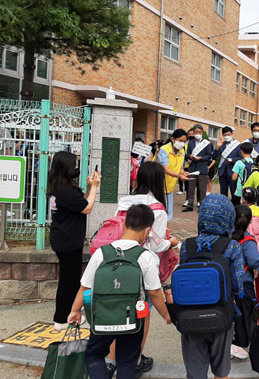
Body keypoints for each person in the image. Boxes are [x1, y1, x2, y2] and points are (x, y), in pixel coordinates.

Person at [67, 204, 172, 379]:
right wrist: (166, 315)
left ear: (124, 225)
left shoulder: (101, 253)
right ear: (147, 231)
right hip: (132, 321)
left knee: (94, 355)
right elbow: (154, 292)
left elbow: (85, 287)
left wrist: (75, 311)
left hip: (102, 318)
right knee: (128, 361)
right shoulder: (145, 256)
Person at [107, 161, 180, 376]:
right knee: (142, 312)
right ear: (158, 181)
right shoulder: (157, 208)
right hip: (141, 265)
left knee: (117, 311)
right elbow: (156, 245)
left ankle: (111, 360)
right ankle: (136, 359)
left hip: (117, 260)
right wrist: (171, 242)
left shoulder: (125, 201)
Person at [178, 194, 245, 379]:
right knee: (221, 372)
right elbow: (238, 286)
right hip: (221, 317)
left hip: (189, 317)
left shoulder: (187, 245)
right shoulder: (232, 246)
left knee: (195, 374)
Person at [48, 151, 101, 331]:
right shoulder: (64, 190)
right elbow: (87, 208)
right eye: (75, 164)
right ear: (66, 167)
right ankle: (62, 319)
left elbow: (80, 204)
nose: (77, 167)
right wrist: (95, 187)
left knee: (69, 280)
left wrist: (89, 187)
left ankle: (69, 314)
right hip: (67, 240)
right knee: (69, 282)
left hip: (65, 238)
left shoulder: (61, 187)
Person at [231, 204, 259, 359]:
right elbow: (254, 261)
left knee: (233, 313)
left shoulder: (226, 237)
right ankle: (245, 342)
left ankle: (233, 342)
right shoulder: (248, 240)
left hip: (227, 283)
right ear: (251, 221)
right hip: (244, 284)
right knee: (247, 314)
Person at [156, 129, 190, 220]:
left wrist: (184, 173)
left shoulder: (182, 151)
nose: (182, 143)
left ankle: (165, 225)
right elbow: (166, 170)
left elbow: (180, 168)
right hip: (158, 183)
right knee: (158, 209)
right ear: (173, 139)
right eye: (180, 140)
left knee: (168, 210)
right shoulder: (164, 150)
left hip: (170, 184)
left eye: (184, 141)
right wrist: (180, 176)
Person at [184, 124, 213, 212]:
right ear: (193, 133)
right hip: (192, 168)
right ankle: (190, 205)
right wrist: (190, 156)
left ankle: (201, 206)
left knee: (202, 189)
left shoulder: (207, 143)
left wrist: (201, 158)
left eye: (199, 132)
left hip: (202, 168)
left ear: (202, 132)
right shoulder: (190, 143)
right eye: (196, 132)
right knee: (191, 188)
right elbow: (186, 155)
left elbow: (209, 155)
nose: (198, 133)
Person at [213, 126, 241, 203]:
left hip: (233, 171)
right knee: (223, 193)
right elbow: (214, 157)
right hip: (222, 172)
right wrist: (217, 147)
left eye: (228, 134)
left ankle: (236, 206)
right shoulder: (221, 144)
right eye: (225, 135)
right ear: (223, 135)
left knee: (234, 192)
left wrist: (232, 160)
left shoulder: (237, 145)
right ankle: (224, 206)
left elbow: (241, 158)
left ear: (232, 134)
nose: (227, 136)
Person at [178, 129, 194, 196]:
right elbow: (183, 153)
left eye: (192, 134)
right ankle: (181, 190)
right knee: (181, 176)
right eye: (190, 134)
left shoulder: (196, 145)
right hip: (185, 164)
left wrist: (191, 160)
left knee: (189, 179)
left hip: (192, 165)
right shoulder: (185, 144)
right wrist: (187, 159)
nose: (191, 135)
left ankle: (187, 191)